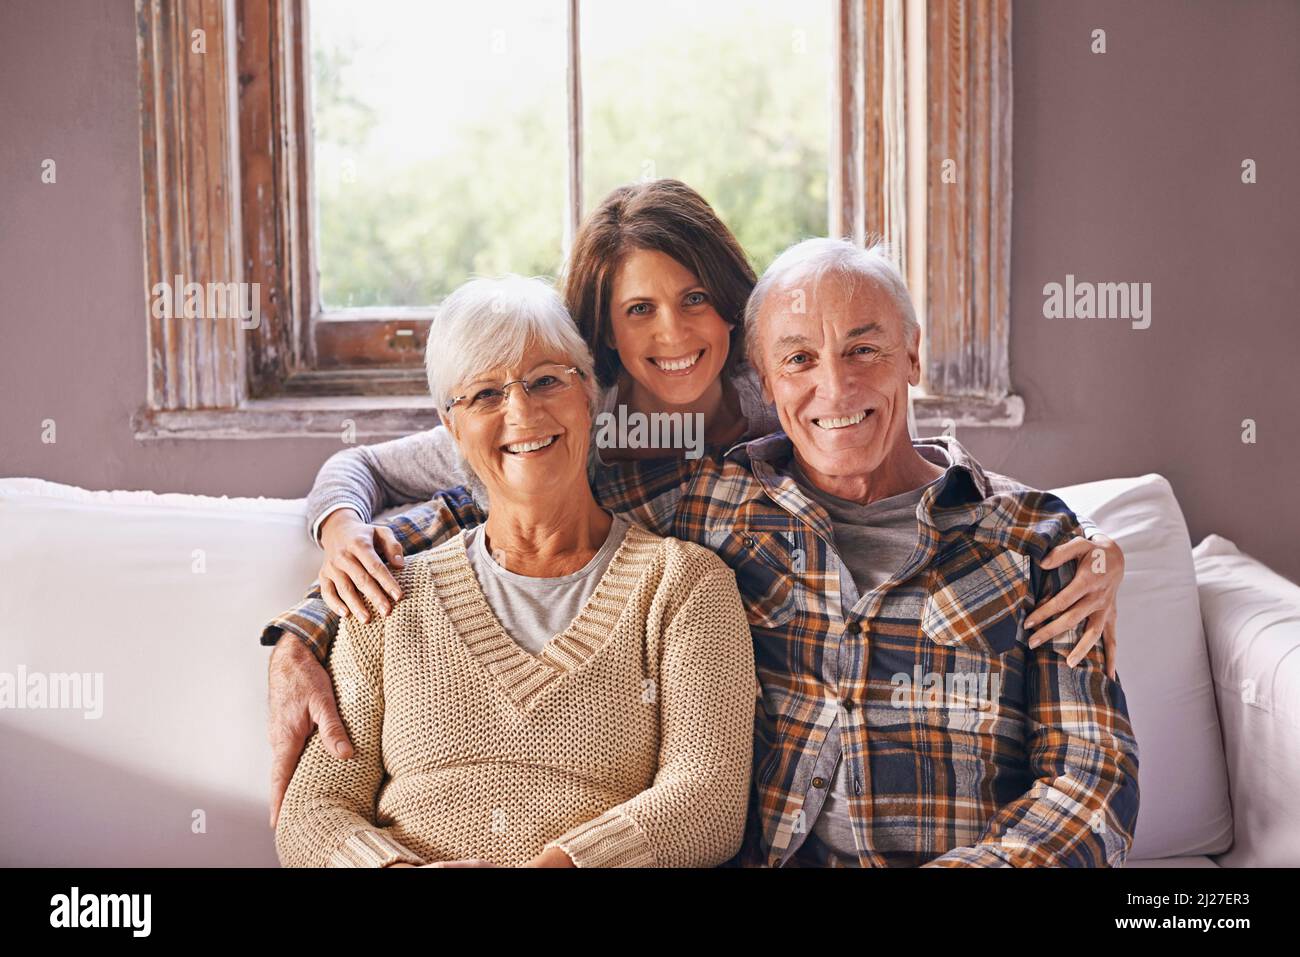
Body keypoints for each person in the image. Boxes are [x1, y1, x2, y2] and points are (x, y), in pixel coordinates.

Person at [266, 239, 1138, 866]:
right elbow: (502, 506)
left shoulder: (1035, 541)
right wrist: (307, 626)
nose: (834, 386)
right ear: (767, 375)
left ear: (912, 352)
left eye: (864, 349)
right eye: (800, 358)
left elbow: (1094, 780)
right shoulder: (718, 498)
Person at [273, 276, 755, 867]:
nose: (522, 411)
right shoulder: (392, 595)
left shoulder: (685, 586)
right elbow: (312, 811)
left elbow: (709, 805)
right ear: (451, 427)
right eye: (483, 395)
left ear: (590, 396)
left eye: (547, 380)